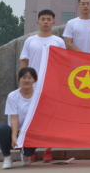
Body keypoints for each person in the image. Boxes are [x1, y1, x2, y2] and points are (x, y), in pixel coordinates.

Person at [19, 9, 65, 162]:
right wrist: (22, 83)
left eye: (49, 19)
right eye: (43, 19)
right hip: (32, 85)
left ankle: (48, 150)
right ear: (38, 22)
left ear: (53, 23)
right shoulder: (30, 41)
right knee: (32, 118)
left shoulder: (58, 41)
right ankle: (31, 150)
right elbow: (24, 62)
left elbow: (63, 63)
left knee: (50, 118)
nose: (46, 22)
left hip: (52, 85)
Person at [0, 67, 38, 169]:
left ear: (34, 80)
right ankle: (7, 157)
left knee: (28, 152)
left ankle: (26, 156)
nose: (26, 80)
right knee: (2, 128)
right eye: (23, 77)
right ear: (19, 79)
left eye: (29, 78)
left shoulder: (38, 96)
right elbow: (14, 118)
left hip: (30, 131)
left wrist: (24, 131)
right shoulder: (13, 96)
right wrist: (14, 137)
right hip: (14, 130)